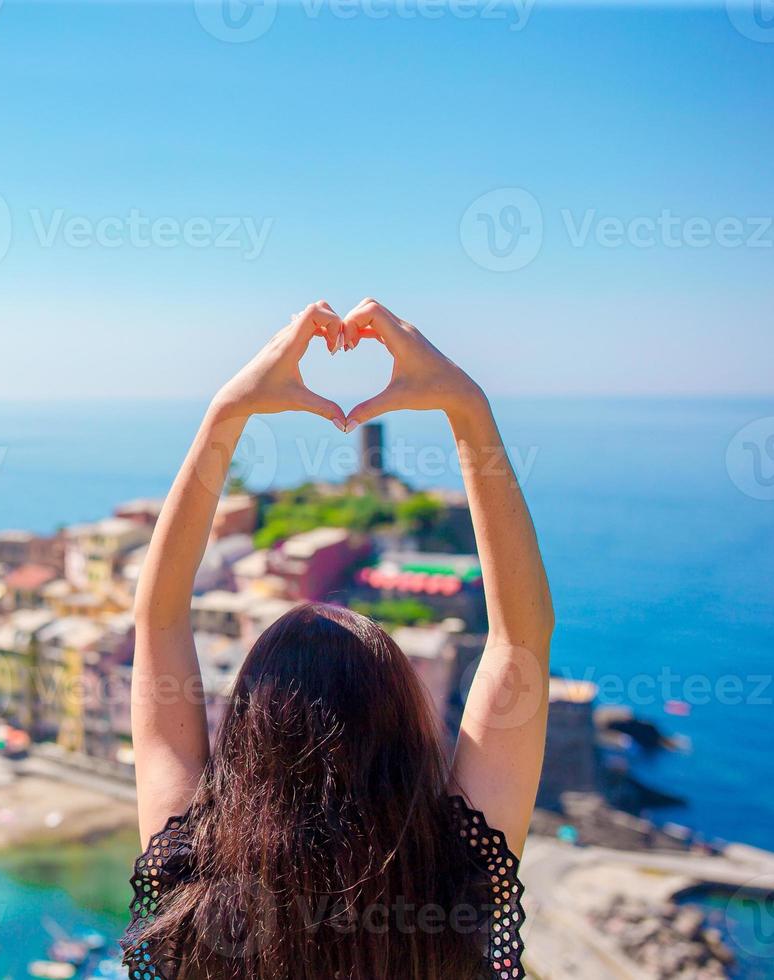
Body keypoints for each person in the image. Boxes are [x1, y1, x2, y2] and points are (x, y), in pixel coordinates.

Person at [125, 298, 553, 979]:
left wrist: (227, 413)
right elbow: (520, 641)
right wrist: (466, 407)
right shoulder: (451, 885)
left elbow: (156, 619)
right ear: (404, 718)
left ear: (247, 732)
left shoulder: (194, 887)